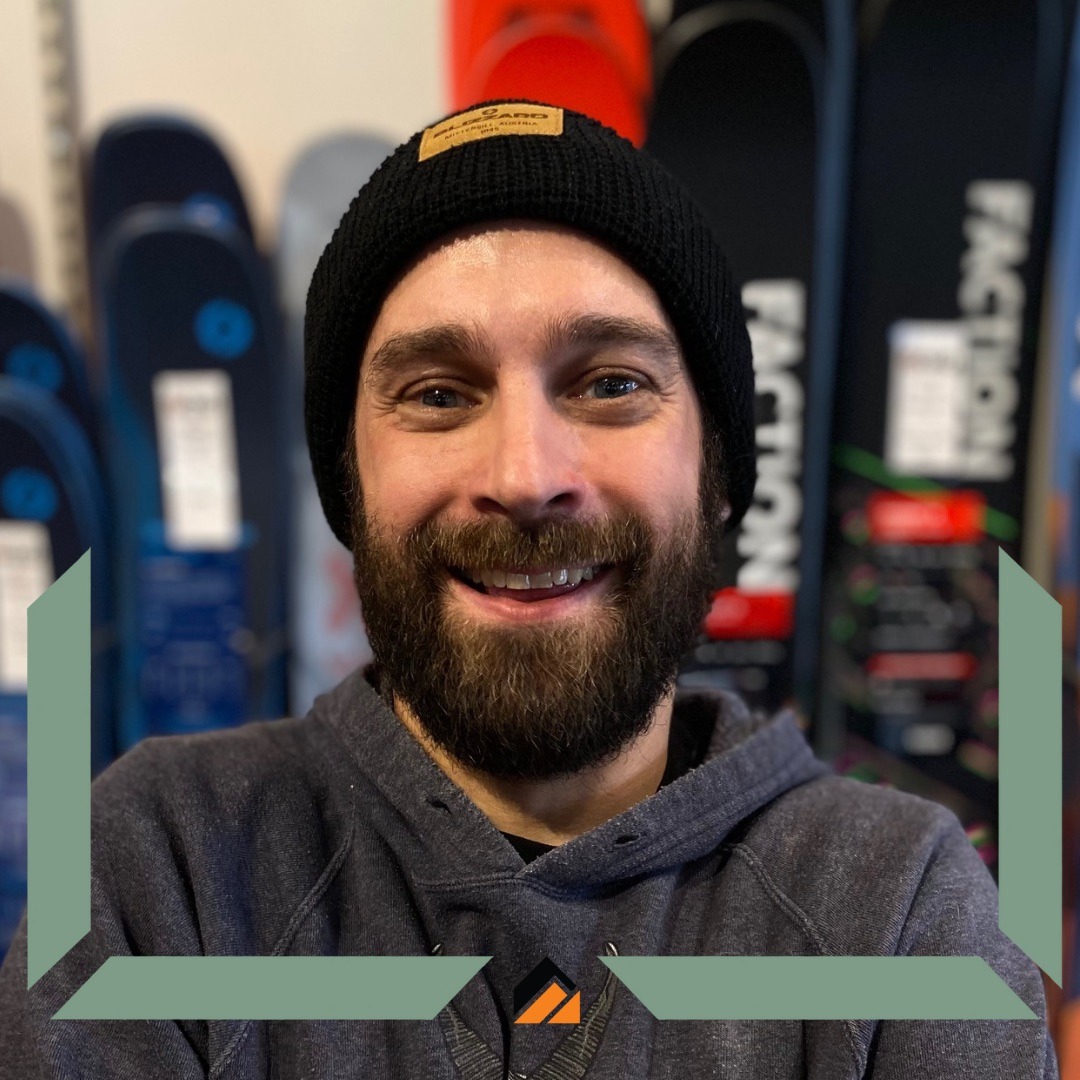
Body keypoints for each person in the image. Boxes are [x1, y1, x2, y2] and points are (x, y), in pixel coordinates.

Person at [0, 101, 1057, 1079]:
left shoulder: (900, 912)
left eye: (611, 384)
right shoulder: (158, 868)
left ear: (720, 474)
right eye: (438, 394)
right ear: (349, 484)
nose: (524, 474)